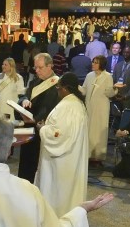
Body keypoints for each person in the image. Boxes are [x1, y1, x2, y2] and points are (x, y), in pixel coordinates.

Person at [37, 72, 89, 215]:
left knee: (60, 197)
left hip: (62, 163)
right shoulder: (76, 103)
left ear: (65, 88)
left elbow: (60, 136)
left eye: (58, 87)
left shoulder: (67, 106)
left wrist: (43, 129)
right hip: (71, 159)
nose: (57, 90)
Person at [17, 53, 61, 182]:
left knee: (37, 165)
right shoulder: (35, 81)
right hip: (28, 126)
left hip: (42, 128)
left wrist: (35, 120)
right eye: (35, 68)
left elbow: (50, 107)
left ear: (50, 66)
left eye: (40, 67)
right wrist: (24, 101)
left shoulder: (57, 84)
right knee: (26, 163)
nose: (36, 71)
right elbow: (24, 95)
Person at [82, 55, 116, 165]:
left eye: (96, 62)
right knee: (89, 131)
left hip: (101, 108)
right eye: (93, 62)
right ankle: (88, 156)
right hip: (90, 107)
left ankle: (98, 157)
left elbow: (109, 93)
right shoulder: (89, 75)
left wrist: (114, 89)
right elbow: (84, 90)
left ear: (101, 64)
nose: (93, 64)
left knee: (99, 131)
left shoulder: (108, 76)